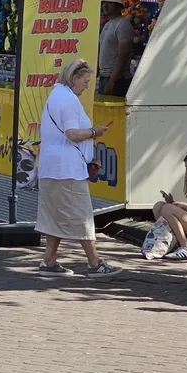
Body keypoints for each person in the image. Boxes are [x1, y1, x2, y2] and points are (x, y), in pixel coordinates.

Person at [34, 58, 122, 278]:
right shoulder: (68, 100)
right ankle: (94, 263)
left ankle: (49, 261)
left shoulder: (57, 95)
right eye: (85, 81)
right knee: (82, 215)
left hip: (53, 167)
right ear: (74, 78)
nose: (86, 85)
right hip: (67, 169)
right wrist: (94, 132)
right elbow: (72, 134)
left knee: (55, 215)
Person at [97, 0, 134, 96]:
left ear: (118, 6)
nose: (105, 5)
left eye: (109, 3)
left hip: (117, 79)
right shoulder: (108, 25)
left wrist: (112, 79)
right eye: (104, 2)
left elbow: (123, 54)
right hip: (105, 76)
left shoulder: (123, 24)